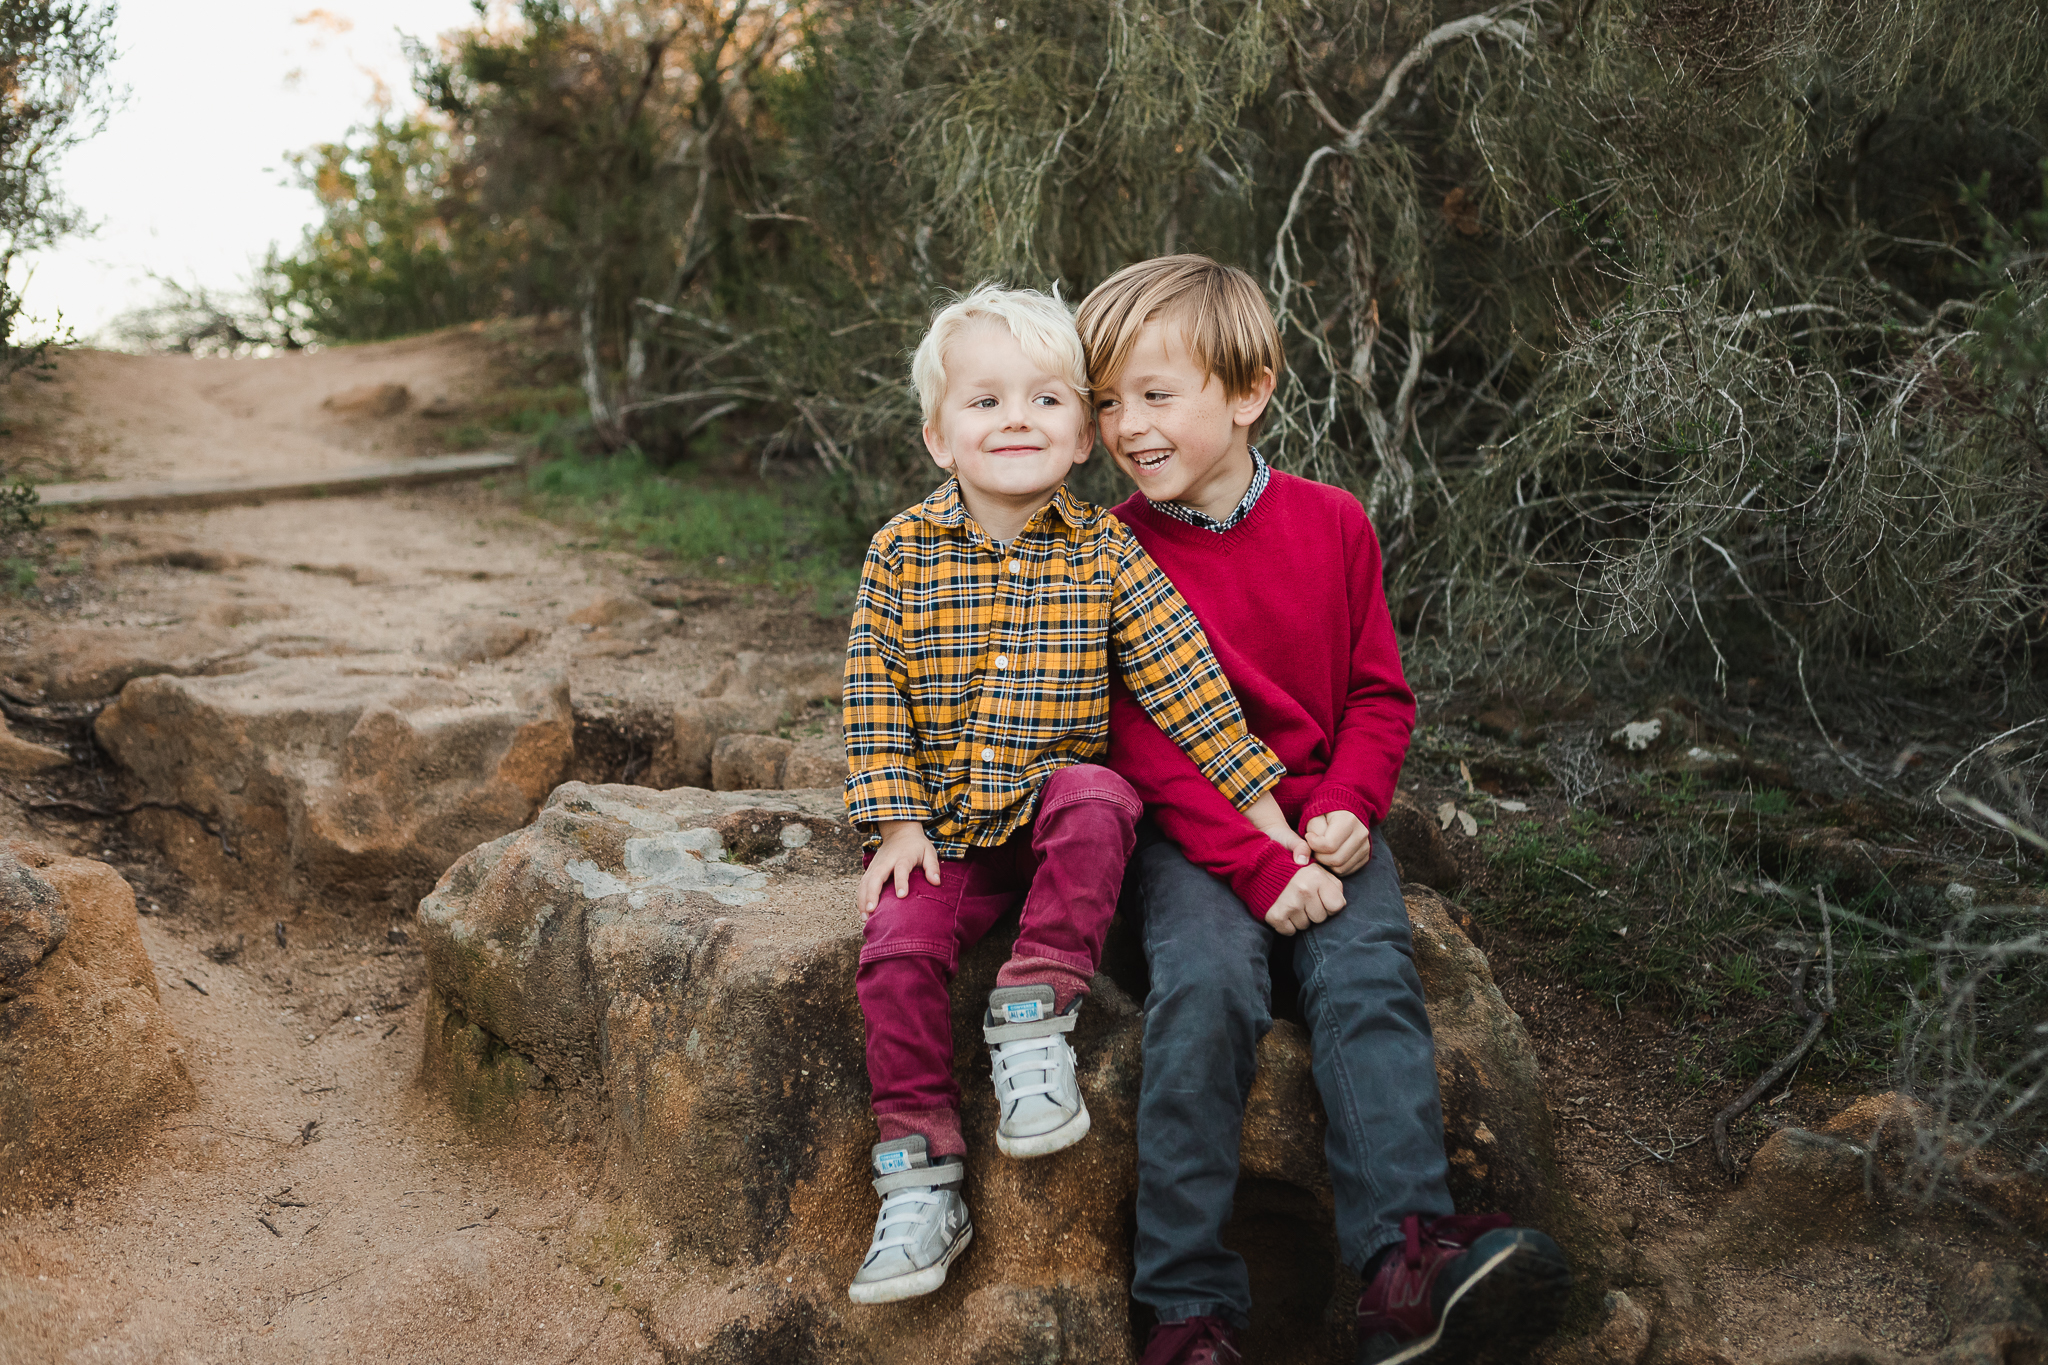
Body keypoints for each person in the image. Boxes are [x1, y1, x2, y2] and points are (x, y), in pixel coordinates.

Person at [1077, 255, 1573, 1365]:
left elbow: (1374, 693)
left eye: (1155, 396)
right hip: (1196, 841)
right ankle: (1186, 1308)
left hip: (1320, 825)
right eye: (1108, 402)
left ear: (1247, 391)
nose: (1127, 425)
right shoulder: (1110, 556)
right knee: (1206, 989)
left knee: (1366, 979)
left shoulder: (1332, 524)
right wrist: (1259, 871)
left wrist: (1351, 805)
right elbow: (1147, 752)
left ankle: (1404, 1266)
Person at [841, 282, 1289, 1307]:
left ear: (1083, 434)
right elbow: (872, 687)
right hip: (945, 835)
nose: (1014, 420)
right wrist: (895, 818)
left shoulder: (1105, 552)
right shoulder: (899, 555)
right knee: (897, 947)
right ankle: (920, 1173)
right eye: (984, 402)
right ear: (937, 437)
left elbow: (1183, 682)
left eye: (1045, 400)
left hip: (1054, 829)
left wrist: (1258, 806)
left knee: (1100, 792)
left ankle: (1034, 1011)